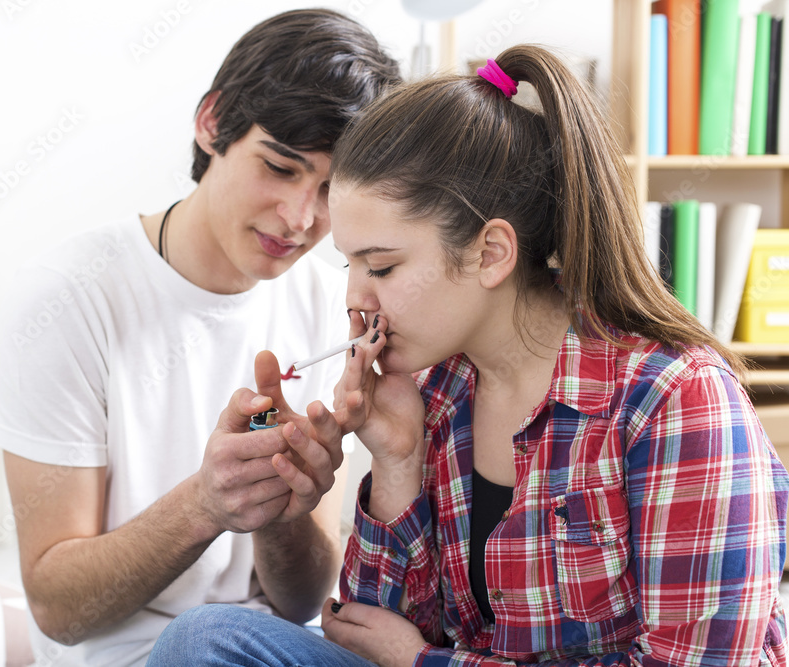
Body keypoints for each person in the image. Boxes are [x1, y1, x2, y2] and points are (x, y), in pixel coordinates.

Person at [147, 45, 789, 666]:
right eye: (350, 265)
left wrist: (427, 663)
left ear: (491, 254)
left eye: (382, 267)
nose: (355, 304)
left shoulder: (676, 401)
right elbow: (367, 635)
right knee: (204, 641)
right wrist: (396, 458)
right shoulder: (440, 390)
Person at [0, 9, 400, 666]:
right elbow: (58, 608)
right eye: (281, 167)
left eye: (330, 191)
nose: (300, 218)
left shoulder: (324, 304)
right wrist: (206, 503)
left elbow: (300, 603)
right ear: (211, 123)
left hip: (266, 645)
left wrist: (286, 509)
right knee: (200, 637)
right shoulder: (67, 297)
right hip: (139, 656)